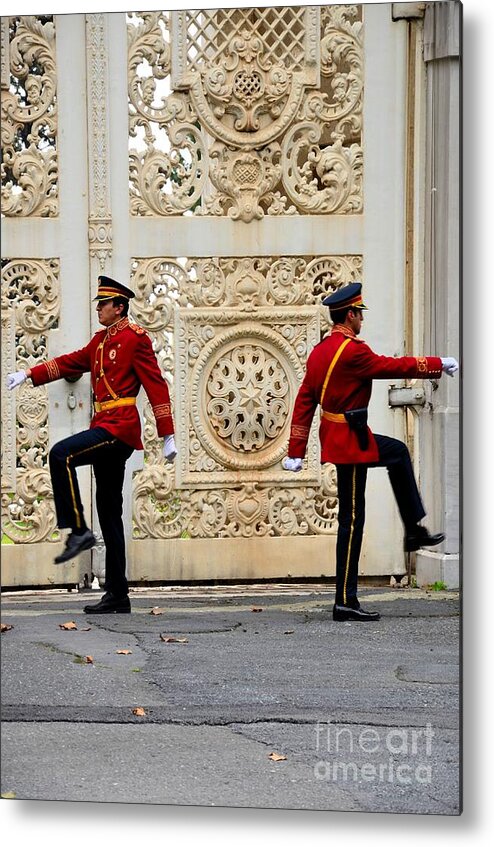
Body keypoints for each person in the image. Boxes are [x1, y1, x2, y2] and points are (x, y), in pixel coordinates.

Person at [282, 282, 458, 622]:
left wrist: (297, 449)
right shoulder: (352, 352)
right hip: (349, 441)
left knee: (395, 454)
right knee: (351, 519)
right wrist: (439, 363)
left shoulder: (320, 351)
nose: (362, 319)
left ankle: (412, 530)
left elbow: (305, 400)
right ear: (349, 315)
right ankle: (345, 600)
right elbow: (394, 366)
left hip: (346, 436)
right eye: (359, 313)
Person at [6, 276, 177, 615]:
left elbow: (156, 385)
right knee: (110, 514)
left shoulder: (135, 339)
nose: (98, 308)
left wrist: (167, 433)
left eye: (104, 303)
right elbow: (69, 362)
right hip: (104, 425)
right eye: (99, 303)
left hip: (120, 428)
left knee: (60, 454)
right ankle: (118, 595)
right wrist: (29, 373)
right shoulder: (99, 343)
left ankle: (79, 531)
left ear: (120, 307)